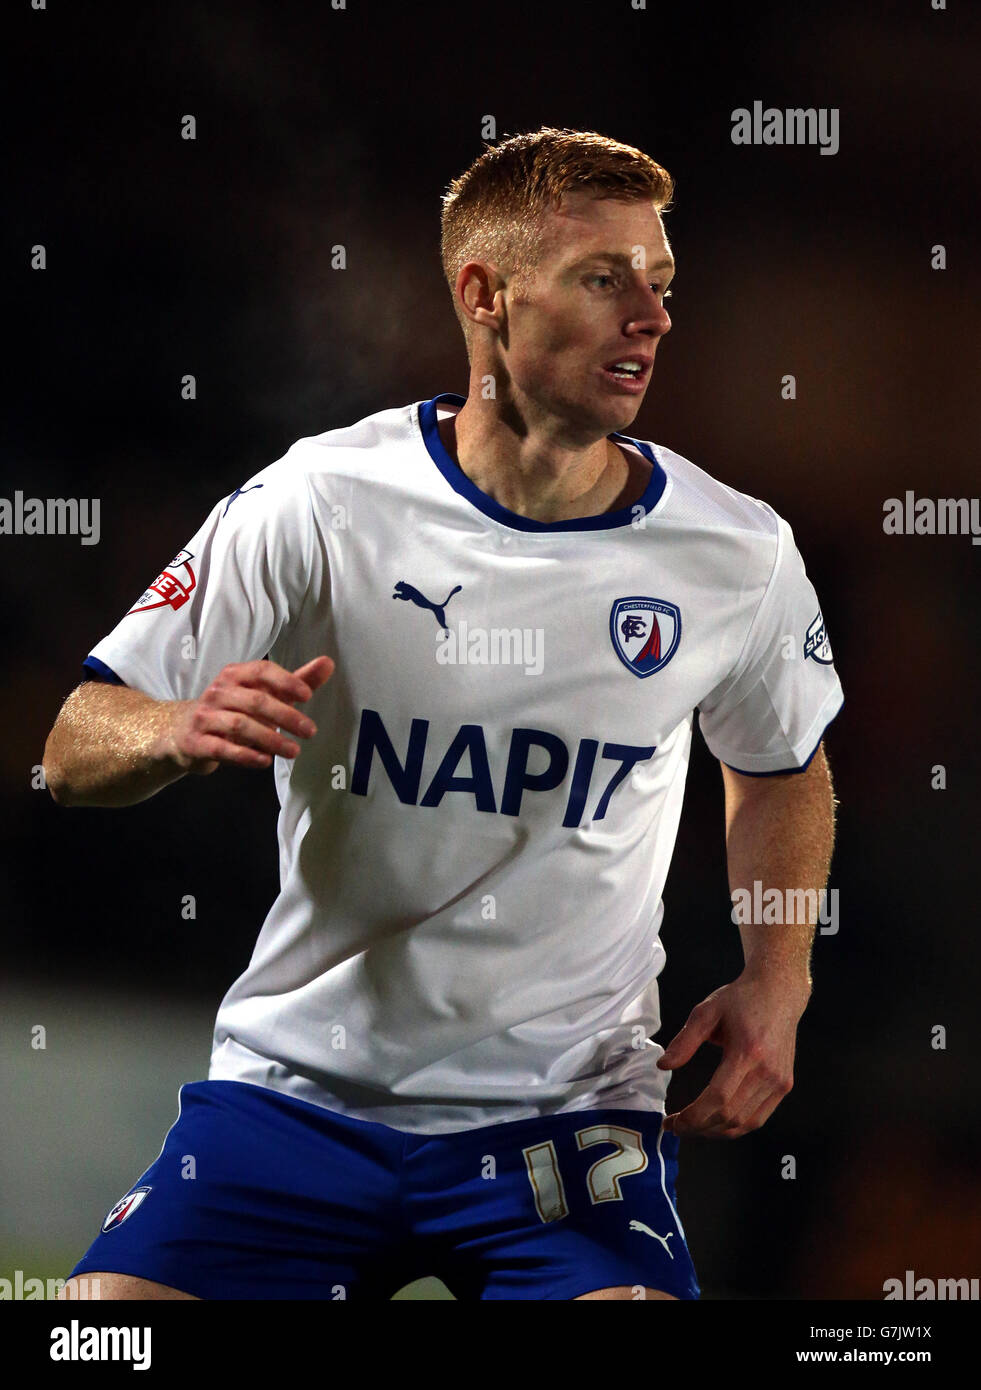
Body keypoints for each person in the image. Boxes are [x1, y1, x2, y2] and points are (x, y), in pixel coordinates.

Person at [44, 127, 842, 1302]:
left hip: (566, 1124)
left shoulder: (737, 553)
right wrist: (169, 726)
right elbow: (71, 740)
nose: (652, 318)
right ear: (485, 294)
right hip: (299, 1100)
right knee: (93, 1336)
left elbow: (781, 767)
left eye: (661, 283)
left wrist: (780, 978)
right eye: (604, 278)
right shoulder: (322, 501)